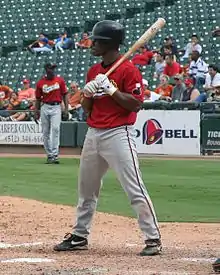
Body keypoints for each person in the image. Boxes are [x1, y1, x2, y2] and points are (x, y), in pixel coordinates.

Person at [54, 20, 162, 256]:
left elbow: (135, 105)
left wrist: (112, 90)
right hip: (94, 133)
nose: (92, 44)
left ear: (109, 44)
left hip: (118, 133)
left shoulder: (128, 70)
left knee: (134, 187)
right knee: (87, 189)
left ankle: (153, 238)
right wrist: (88, 93)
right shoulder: (94, 71)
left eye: (96, 41)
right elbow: (88, 108)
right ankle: (80, 235)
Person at [34, 63, 68, 164]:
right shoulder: (41, 83)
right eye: (50, 68)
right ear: (46, 69)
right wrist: (36, 112)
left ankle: (55, 155)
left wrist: (66, 109)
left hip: (56, 106)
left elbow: (65, 94)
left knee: (56, 129)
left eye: (53, 68)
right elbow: (38, 99)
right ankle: (49, 155)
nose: (52, 70)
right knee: (45, 132)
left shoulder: (59, 80)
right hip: (45, 106)